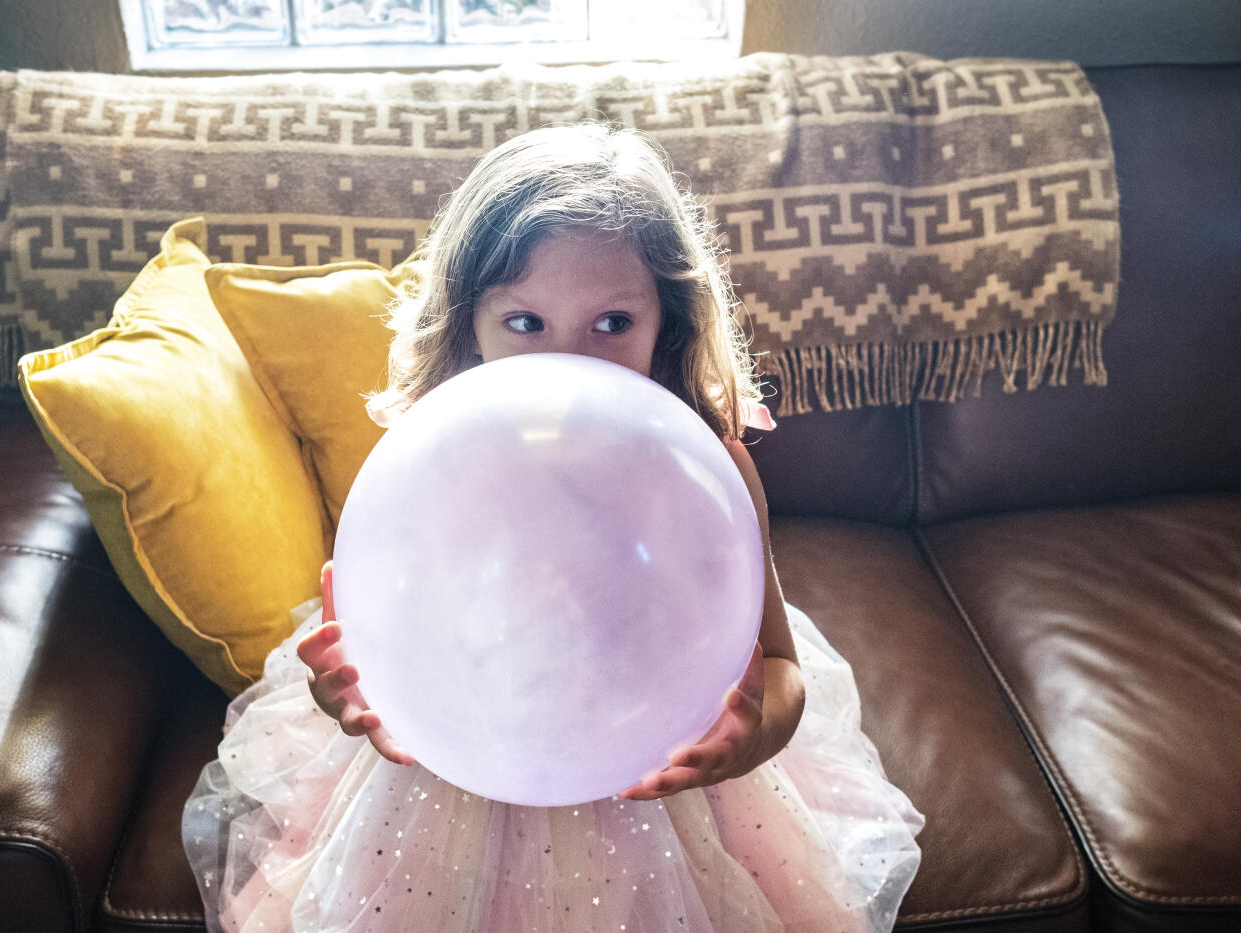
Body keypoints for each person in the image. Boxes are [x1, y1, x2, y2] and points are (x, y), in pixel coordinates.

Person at [184, 122, 923, 932]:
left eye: (612, 323)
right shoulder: (434, 462)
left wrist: (750, 737)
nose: (569, 362)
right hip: (454, 785)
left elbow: (779, 665)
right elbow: (386, 652)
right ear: (470, 325)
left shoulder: (708, 472)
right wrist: (350, 692)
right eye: (526, 322)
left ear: (667, 324)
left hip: (661, 786)